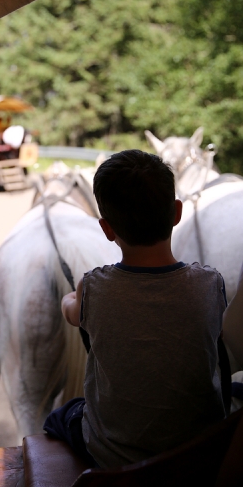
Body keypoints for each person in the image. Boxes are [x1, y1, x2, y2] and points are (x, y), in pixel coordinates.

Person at [43, 149, 227, 468]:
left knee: (60, 416)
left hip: (114, 454)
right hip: (199, 447)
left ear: (107, 229)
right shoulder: (210, 283)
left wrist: (70, 298)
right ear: (176, 213)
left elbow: (70, 310)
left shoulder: (93, 288)